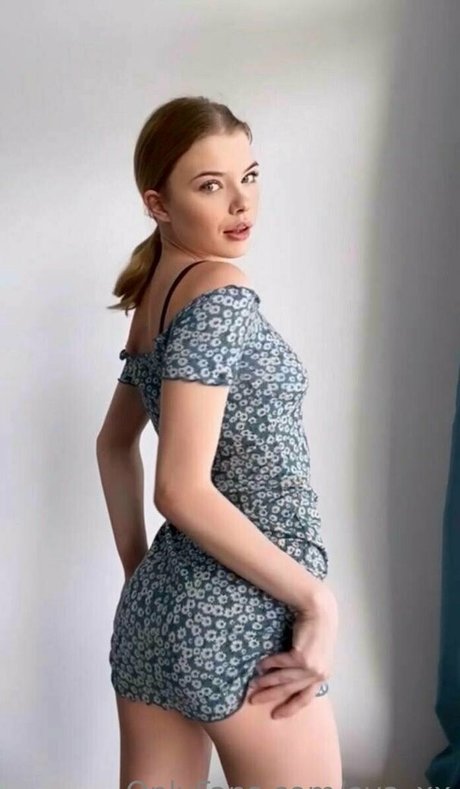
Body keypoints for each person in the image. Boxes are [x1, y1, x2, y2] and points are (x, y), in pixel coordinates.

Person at [96, 95, 342, 789]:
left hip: (156, 616)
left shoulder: (155, 299)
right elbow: (178, 488)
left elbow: (112, 445)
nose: (242, 203)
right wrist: (316, 600)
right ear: (158, 204)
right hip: (242, 608)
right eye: (210, 185)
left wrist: (142, 578)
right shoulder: (221, 294)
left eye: (250, 176)